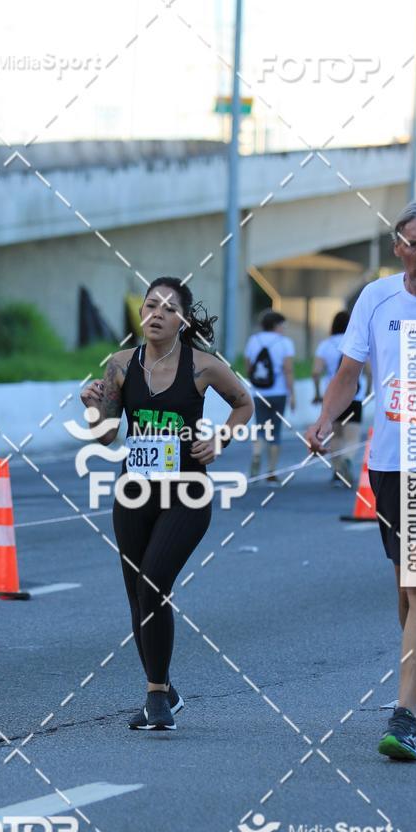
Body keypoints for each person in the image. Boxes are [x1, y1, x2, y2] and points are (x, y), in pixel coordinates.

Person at [307, 199, 416, 761]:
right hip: (390, 461)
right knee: (408, 592)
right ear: (397, 247)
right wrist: (327, 418)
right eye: (412, 244)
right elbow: (349, 372)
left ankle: (403, 717)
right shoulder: (375, 298)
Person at [80, 276, 253, 731]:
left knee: (154, 582)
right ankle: (163, 689)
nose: (156, 313)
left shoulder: (203, 366)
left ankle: (156, 698)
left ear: (182, 319)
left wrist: (220, 439)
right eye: (149, 305)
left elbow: (243, 403)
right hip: (133, 492)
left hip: (187, 493)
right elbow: (105, 435)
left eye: (168, 308)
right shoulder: (119, 366)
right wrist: (92, 406)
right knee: (138, 593)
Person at [312, 310, 371, 485]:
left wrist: (317, 393)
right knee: (352, 436)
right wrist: (367, 389)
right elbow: (368, 371)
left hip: (334, 396)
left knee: (336, 435)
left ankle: (337, 472)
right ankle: (348, 459)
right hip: (355, 395)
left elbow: (316, 372)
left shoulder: (325, 345)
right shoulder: (357, 341)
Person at [244, 311, 295, 482]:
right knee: (275, 431)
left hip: (258, 393)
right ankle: (271, 471)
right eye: (283, 325)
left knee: (260, 428)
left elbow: (248, 367)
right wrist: (292, 393)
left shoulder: (253, 340)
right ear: (276, 325)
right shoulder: (285, 343)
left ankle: (256, 456)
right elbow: (288, 369)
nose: (284, 329)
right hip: (279, 392)